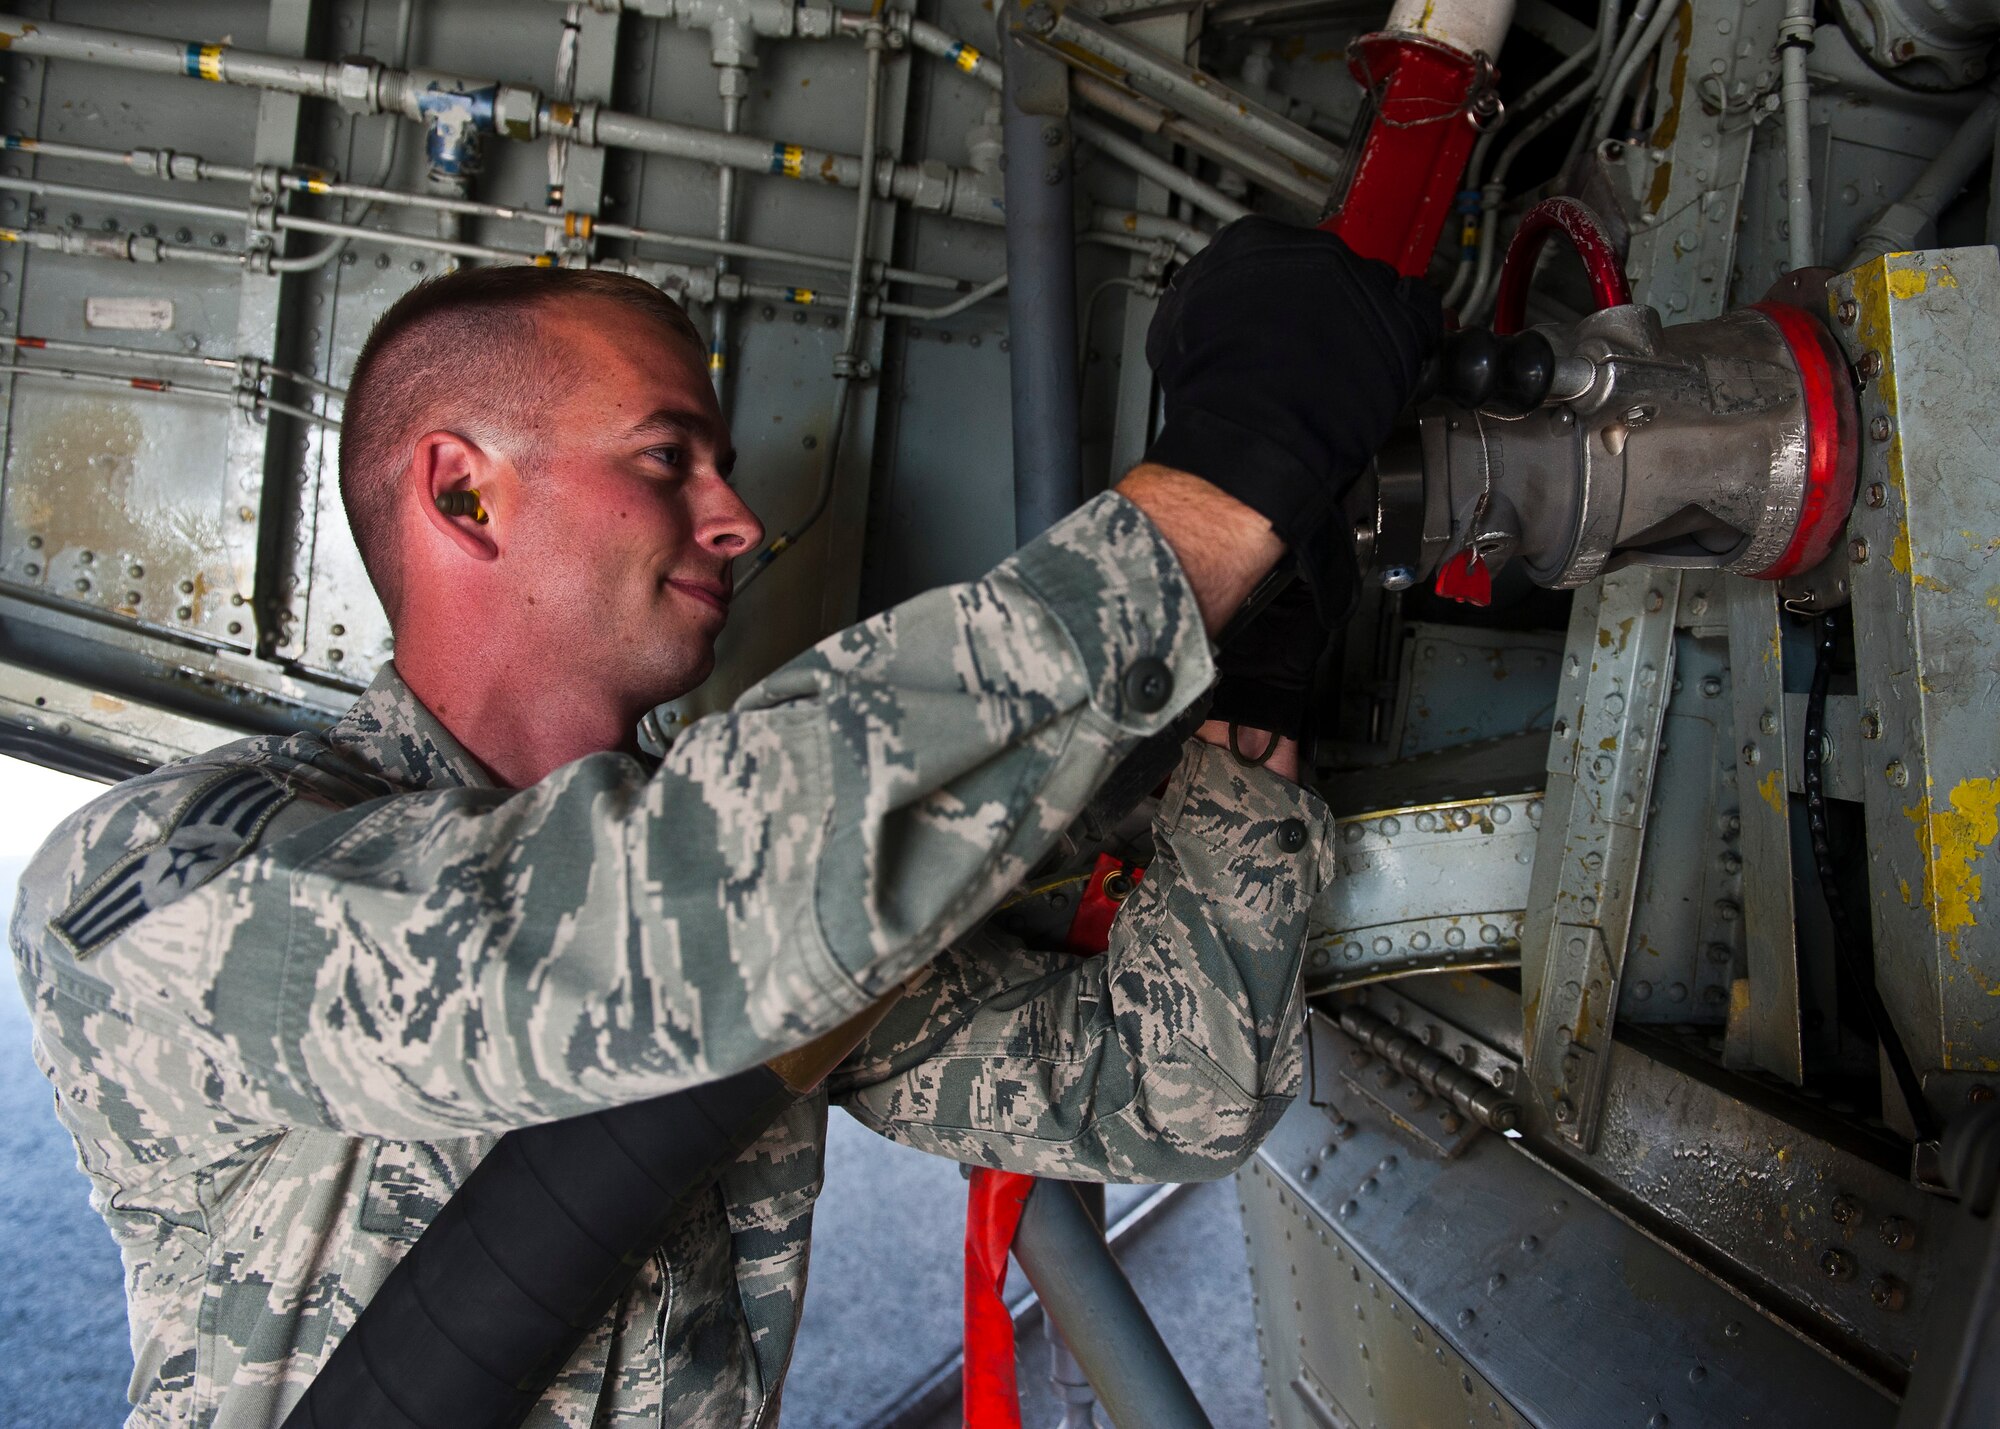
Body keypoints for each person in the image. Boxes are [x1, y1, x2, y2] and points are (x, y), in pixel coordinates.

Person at [11, 217, 1438, 1426]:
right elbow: (660, 917)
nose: (741, 518)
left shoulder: (771, 892)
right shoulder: (159, 877)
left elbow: (1164, 1089)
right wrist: (1210, 501)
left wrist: (1249, 712)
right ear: (462, 491)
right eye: (666, 458)